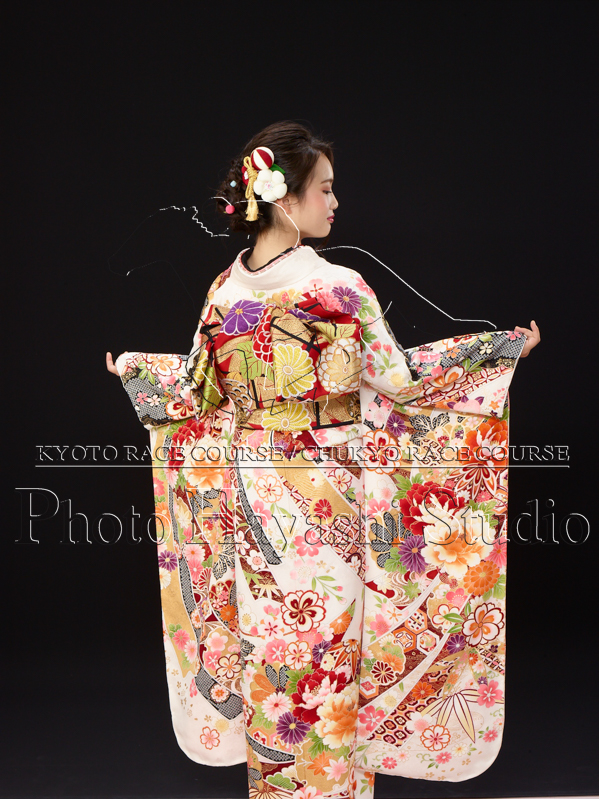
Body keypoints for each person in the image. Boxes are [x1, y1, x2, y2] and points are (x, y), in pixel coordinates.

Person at [107, 121, 540, 799]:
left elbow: (193, 393)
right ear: (285, 199)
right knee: (326, 653)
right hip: (324, 495)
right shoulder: (339, 288)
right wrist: (496, 354)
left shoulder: (224, 292)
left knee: (274, 652)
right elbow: (401, 383)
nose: (335, 203)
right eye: (325, 189)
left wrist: (135, 372)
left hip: (254, 494)